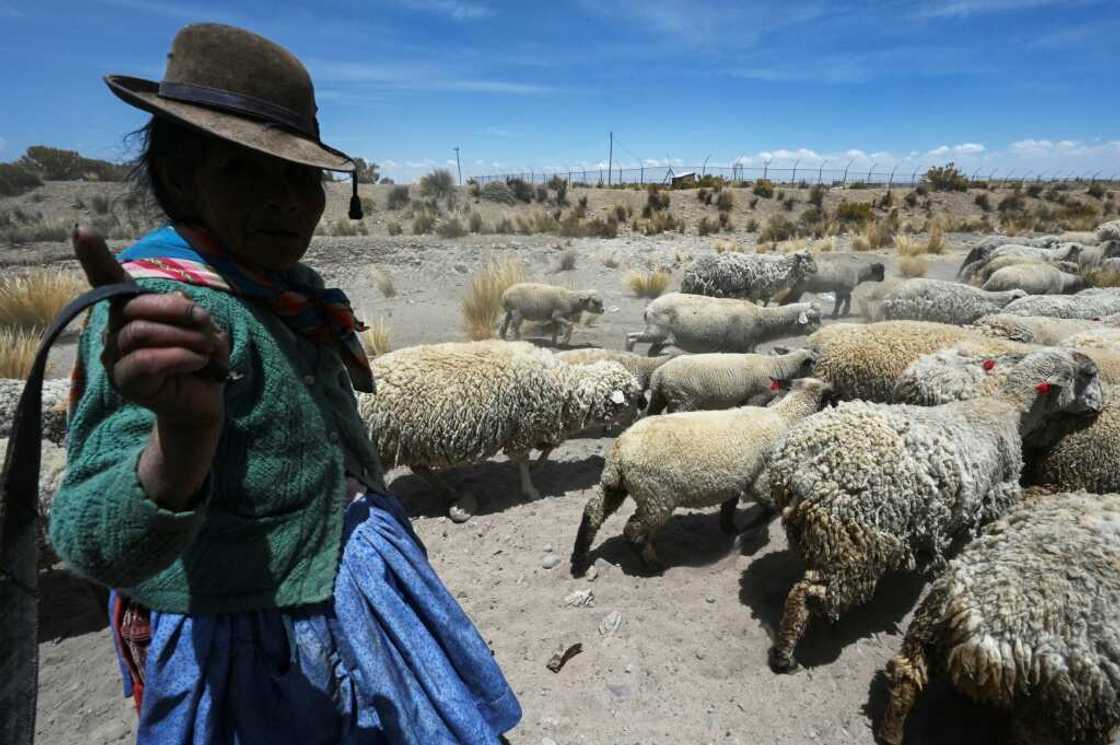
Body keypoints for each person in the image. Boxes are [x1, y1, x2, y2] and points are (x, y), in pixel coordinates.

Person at [49, 22, 521, 745]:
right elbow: (87, 531)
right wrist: (178, 447)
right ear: (179, 176)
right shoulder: (176, 308)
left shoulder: (280, 292)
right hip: (261, 651)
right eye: (246, 170)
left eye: (303, 176)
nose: (289, 202)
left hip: (349, 606)